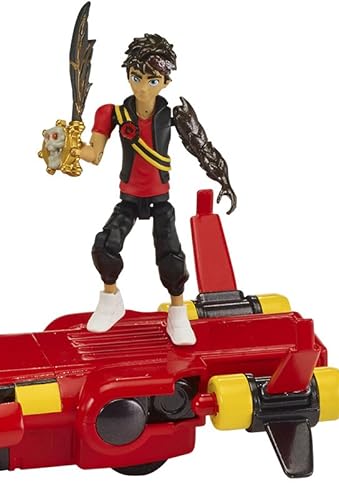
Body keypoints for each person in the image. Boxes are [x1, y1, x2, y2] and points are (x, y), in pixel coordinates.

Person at [73, 33, 236, 345]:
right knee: (104, 247)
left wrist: (223, 179)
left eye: (152, 80)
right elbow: (93, 154)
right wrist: (68, 148)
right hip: (129, 198)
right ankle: (111, 300)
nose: (142, 88)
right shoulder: (113, 113)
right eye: (136, 77)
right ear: (128, 75)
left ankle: (177, 313)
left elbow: (202, 148)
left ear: (165, 82)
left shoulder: (174, 116)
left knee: (171, 255)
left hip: (160, 199)